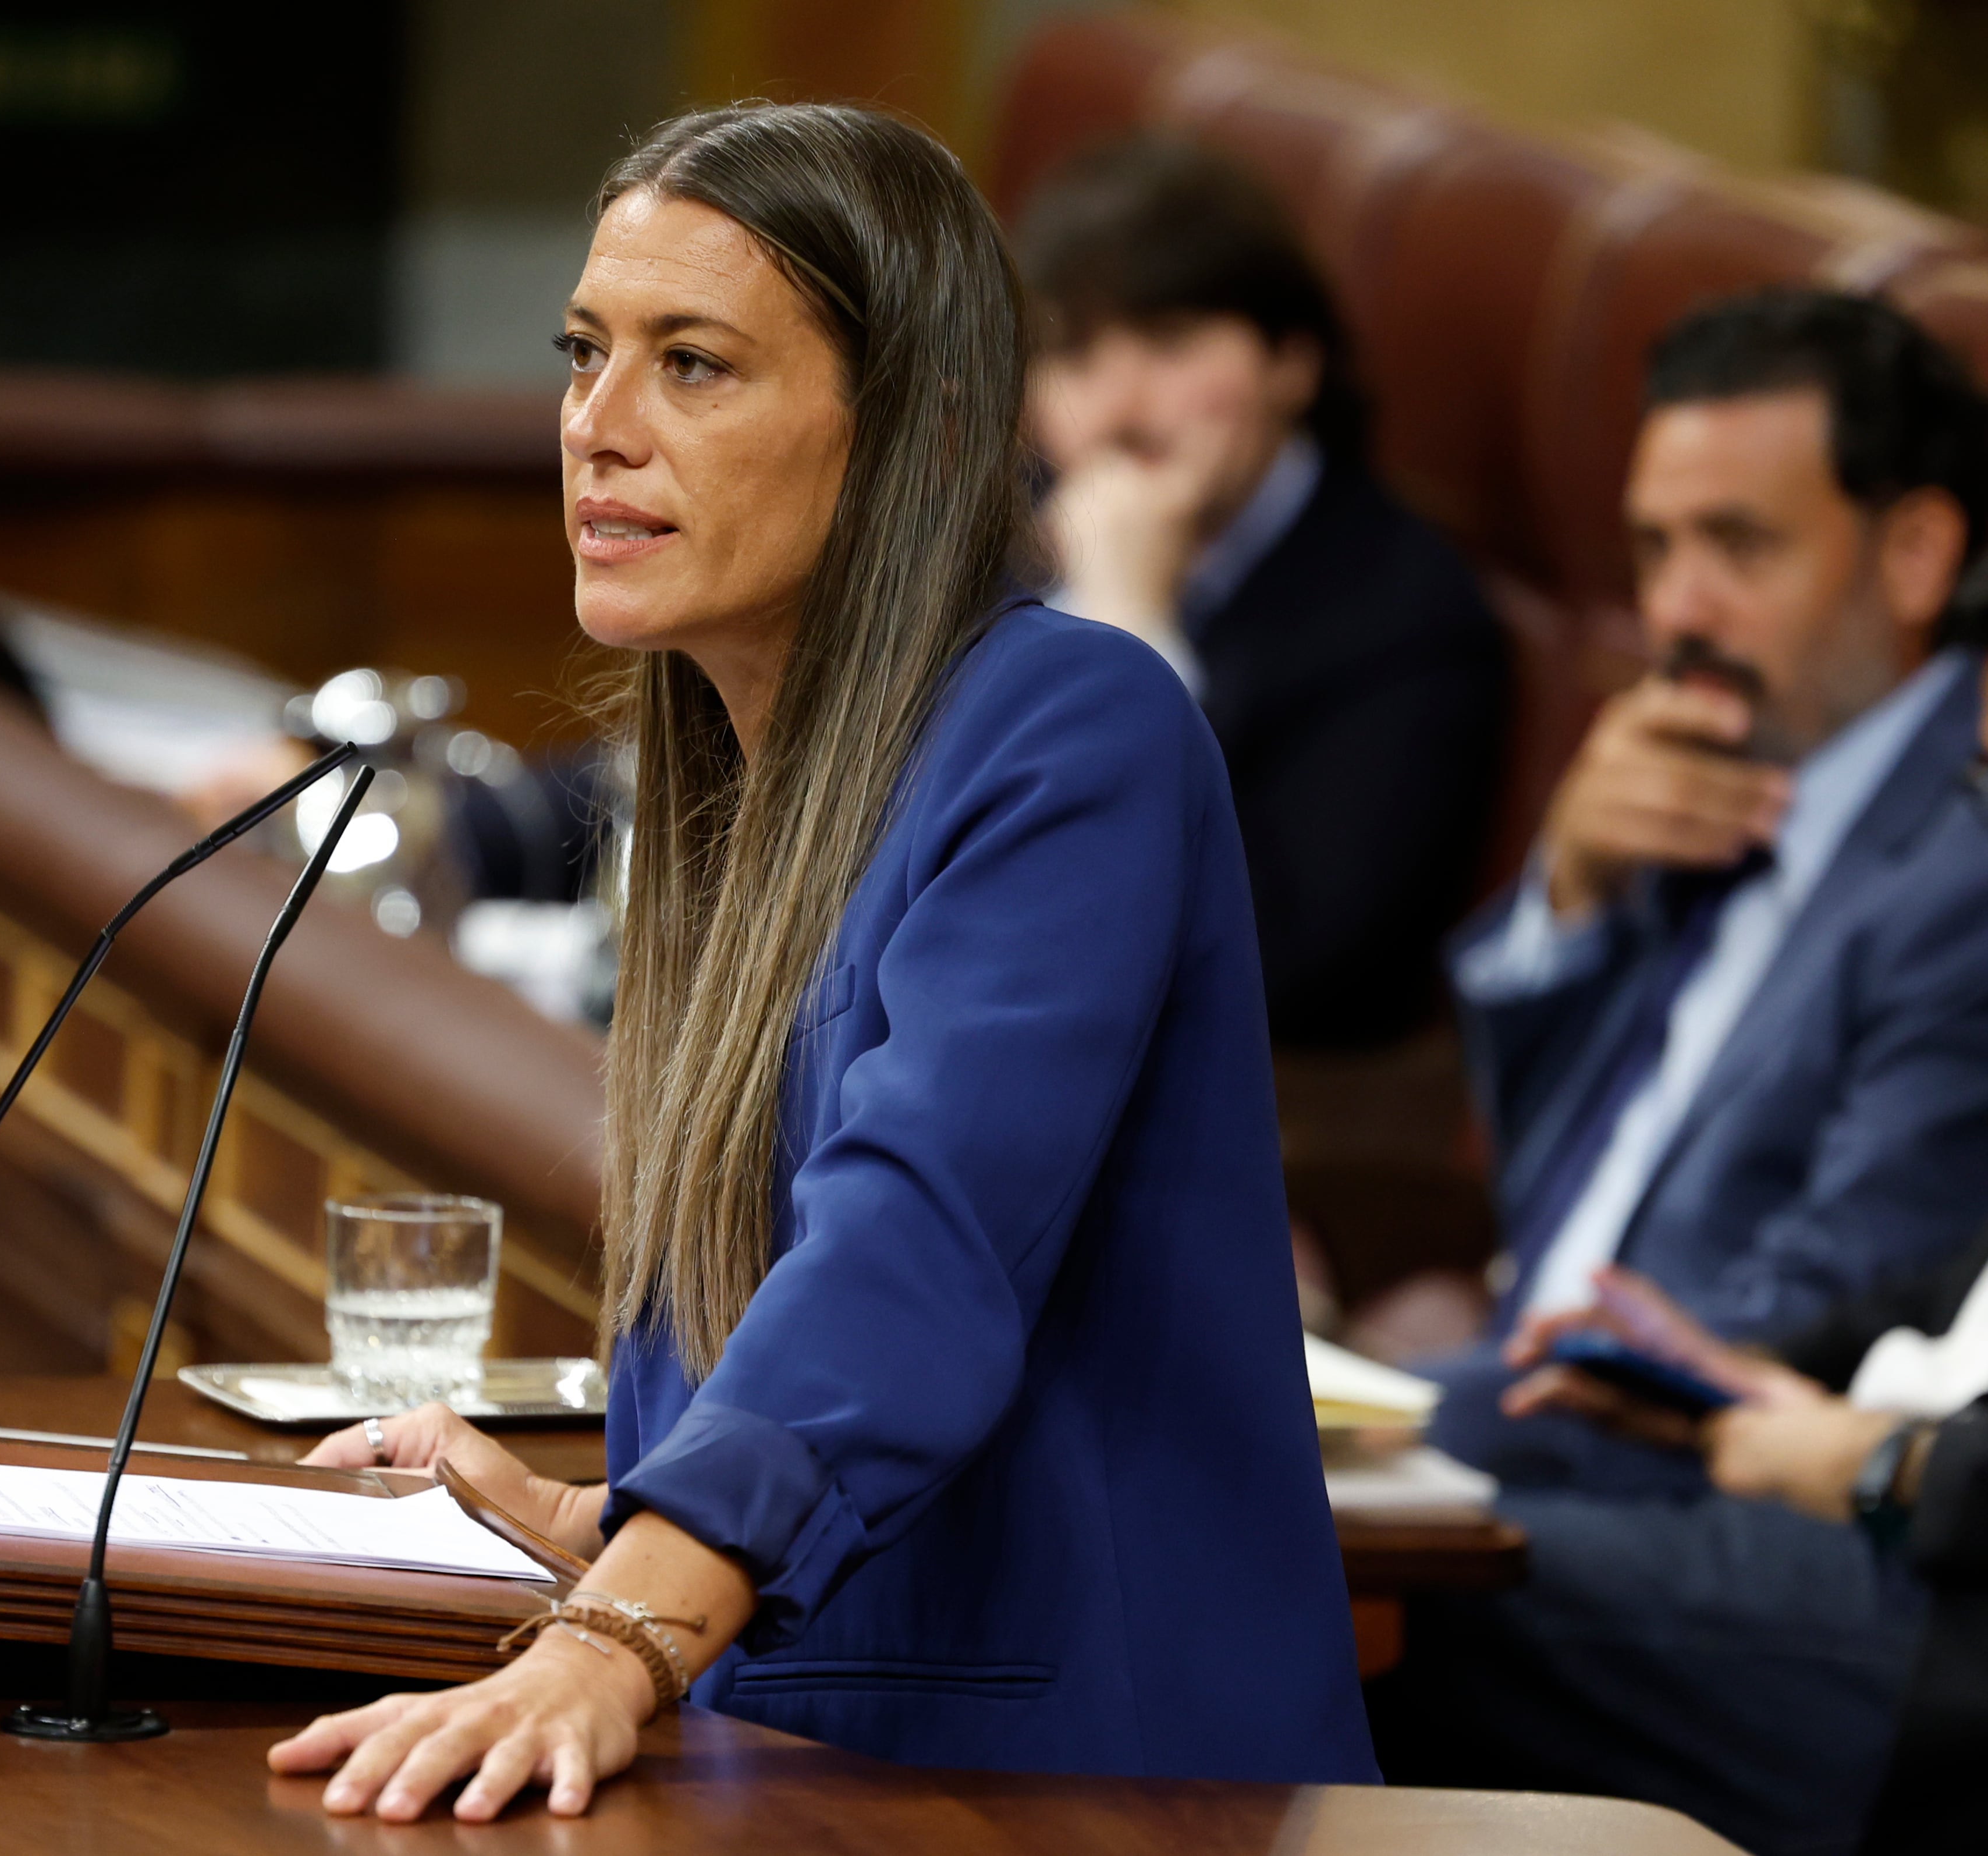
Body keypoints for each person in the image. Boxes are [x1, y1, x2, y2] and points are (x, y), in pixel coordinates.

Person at [262, 102, 1373, 1823]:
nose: (595, 428)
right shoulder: (730, 785)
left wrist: (614, 1628)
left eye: (691, 366)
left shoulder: (1070, 728)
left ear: (918, 435)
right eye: (582, 354)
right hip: (819, 1743)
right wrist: (608, 1526)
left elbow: (915, 1246)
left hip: (1100, 1786)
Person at [1421, 289, 1988, 1500]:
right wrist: (1571, 890)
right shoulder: (1715, 778)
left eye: (1739, 545)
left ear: (1915, 556)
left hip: (1704, 1480)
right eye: (1654, 549)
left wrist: (1456, 1411)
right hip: (1525, 1399)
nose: (1676, 612)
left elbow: (1844, 1280)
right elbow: (1540, 1195)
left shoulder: (1962, 855)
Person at [1014, 136, 1510, 1049]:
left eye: (1168, 344)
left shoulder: (1404, 618)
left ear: (1292, 360)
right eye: (1074, 357)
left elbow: (1286, 965)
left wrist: (1131, 623)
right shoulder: (1000, 526)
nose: (1118, 409)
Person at [1374, 1227, 1988, 1856]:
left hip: (1947, 1598)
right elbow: (1949, 1310)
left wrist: (1888, 1458)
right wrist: (1746, 1375)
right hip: (1877, 1487)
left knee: (1418, 1582)